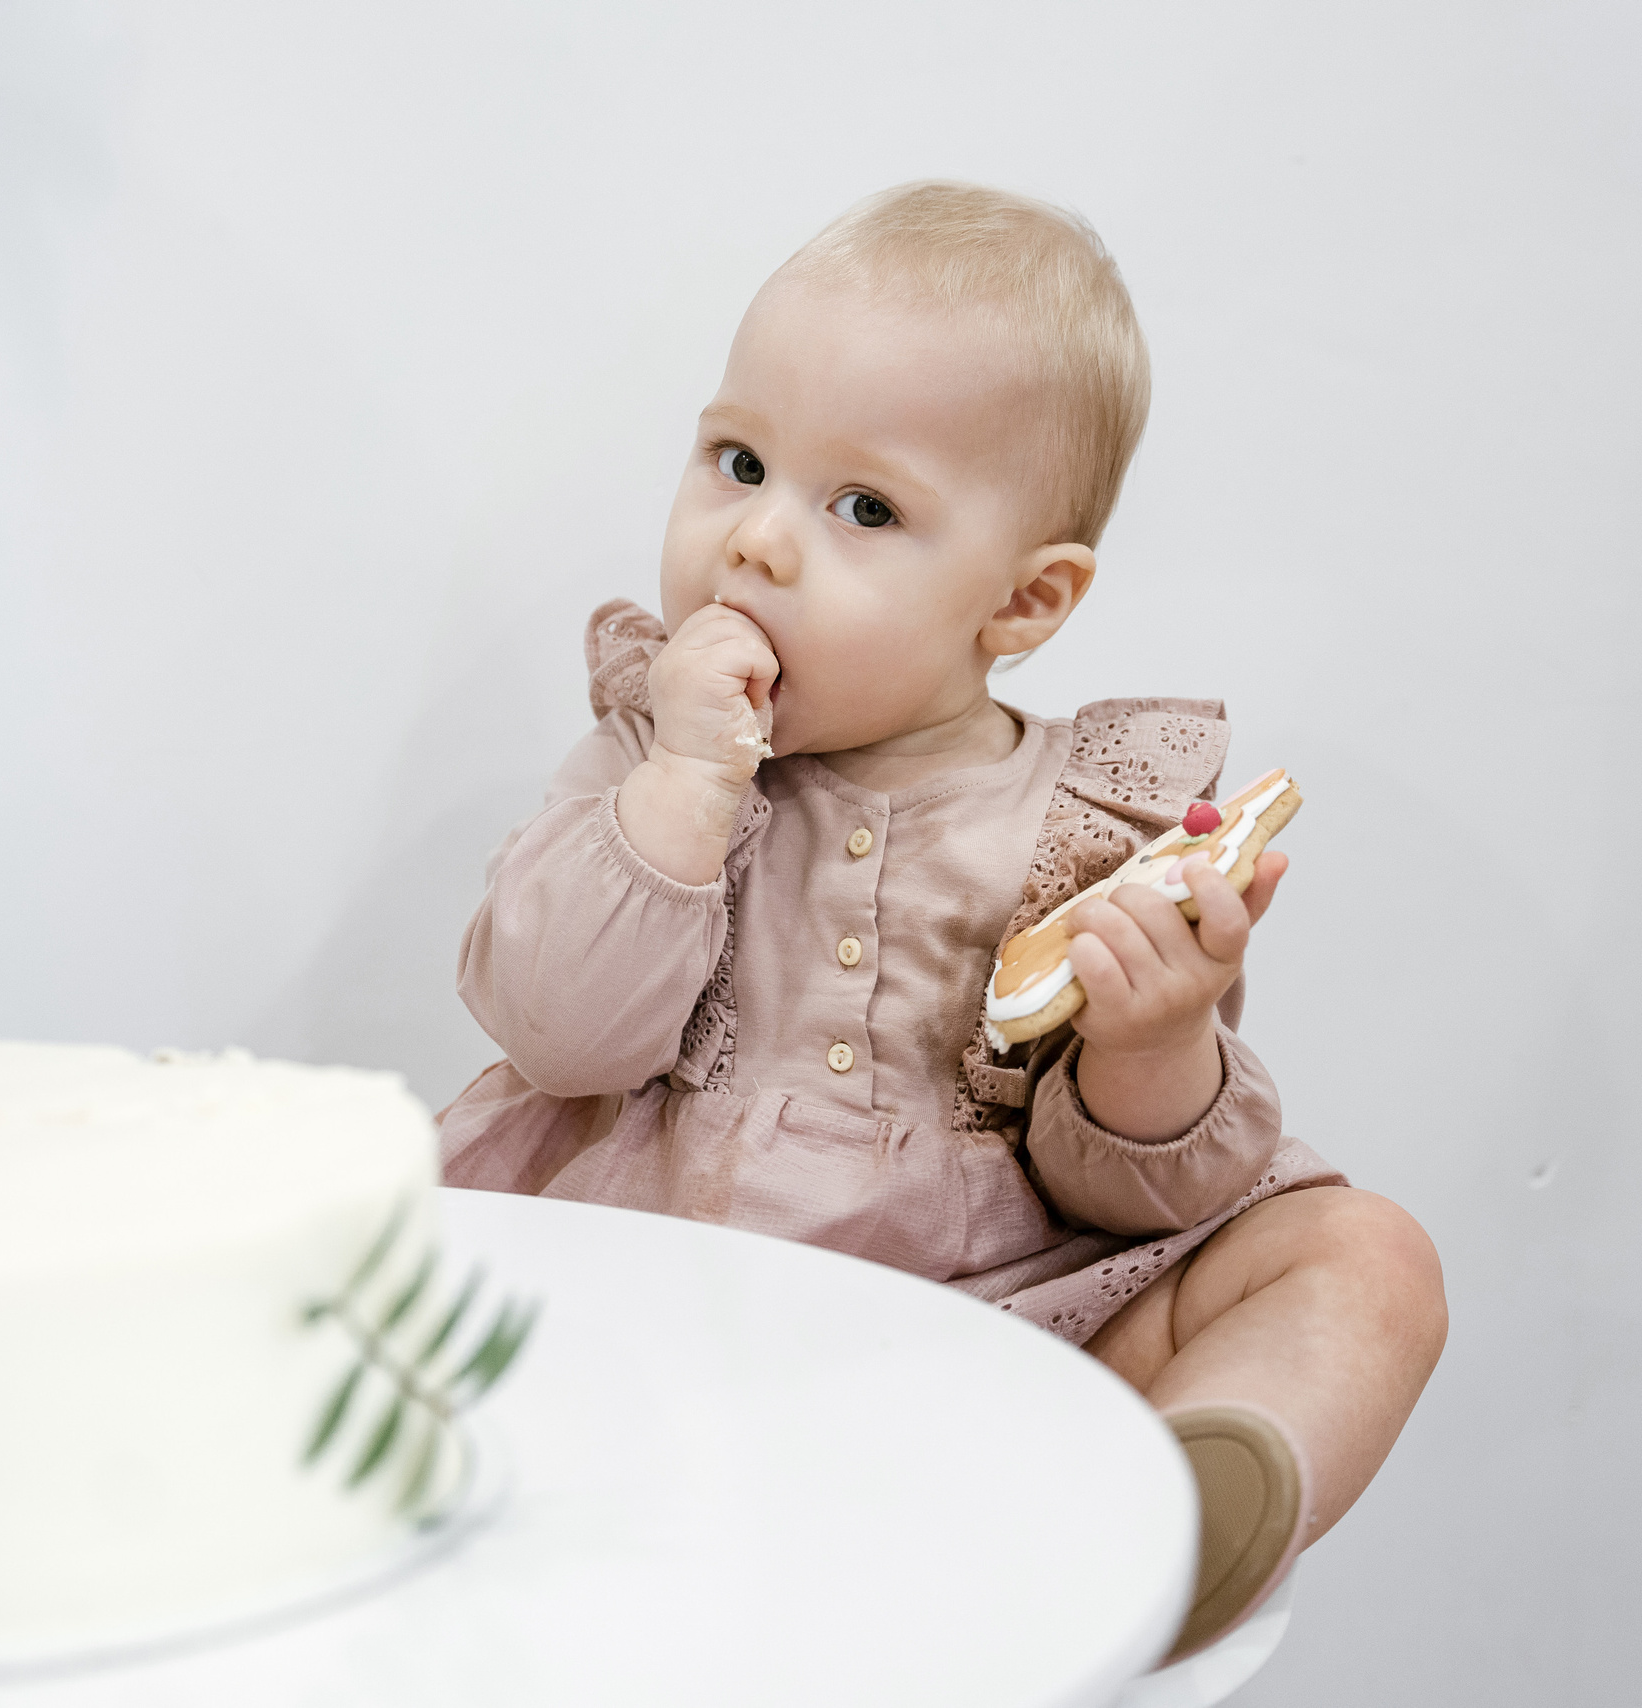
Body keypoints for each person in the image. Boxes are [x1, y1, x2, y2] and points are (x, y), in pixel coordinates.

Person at [439, 180, 1446, 1662]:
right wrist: (686, 782)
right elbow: (556, 1030)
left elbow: (1139, 1202)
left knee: (1367, 1254)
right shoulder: (651, 757)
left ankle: (1148, 1528)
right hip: (654, 1304)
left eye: (863, 508)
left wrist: (1153, 1040)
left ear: (1025, 602)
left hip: (985, 1348)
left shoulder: (1097, 828)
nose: (757, 543)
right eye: (738, 460)